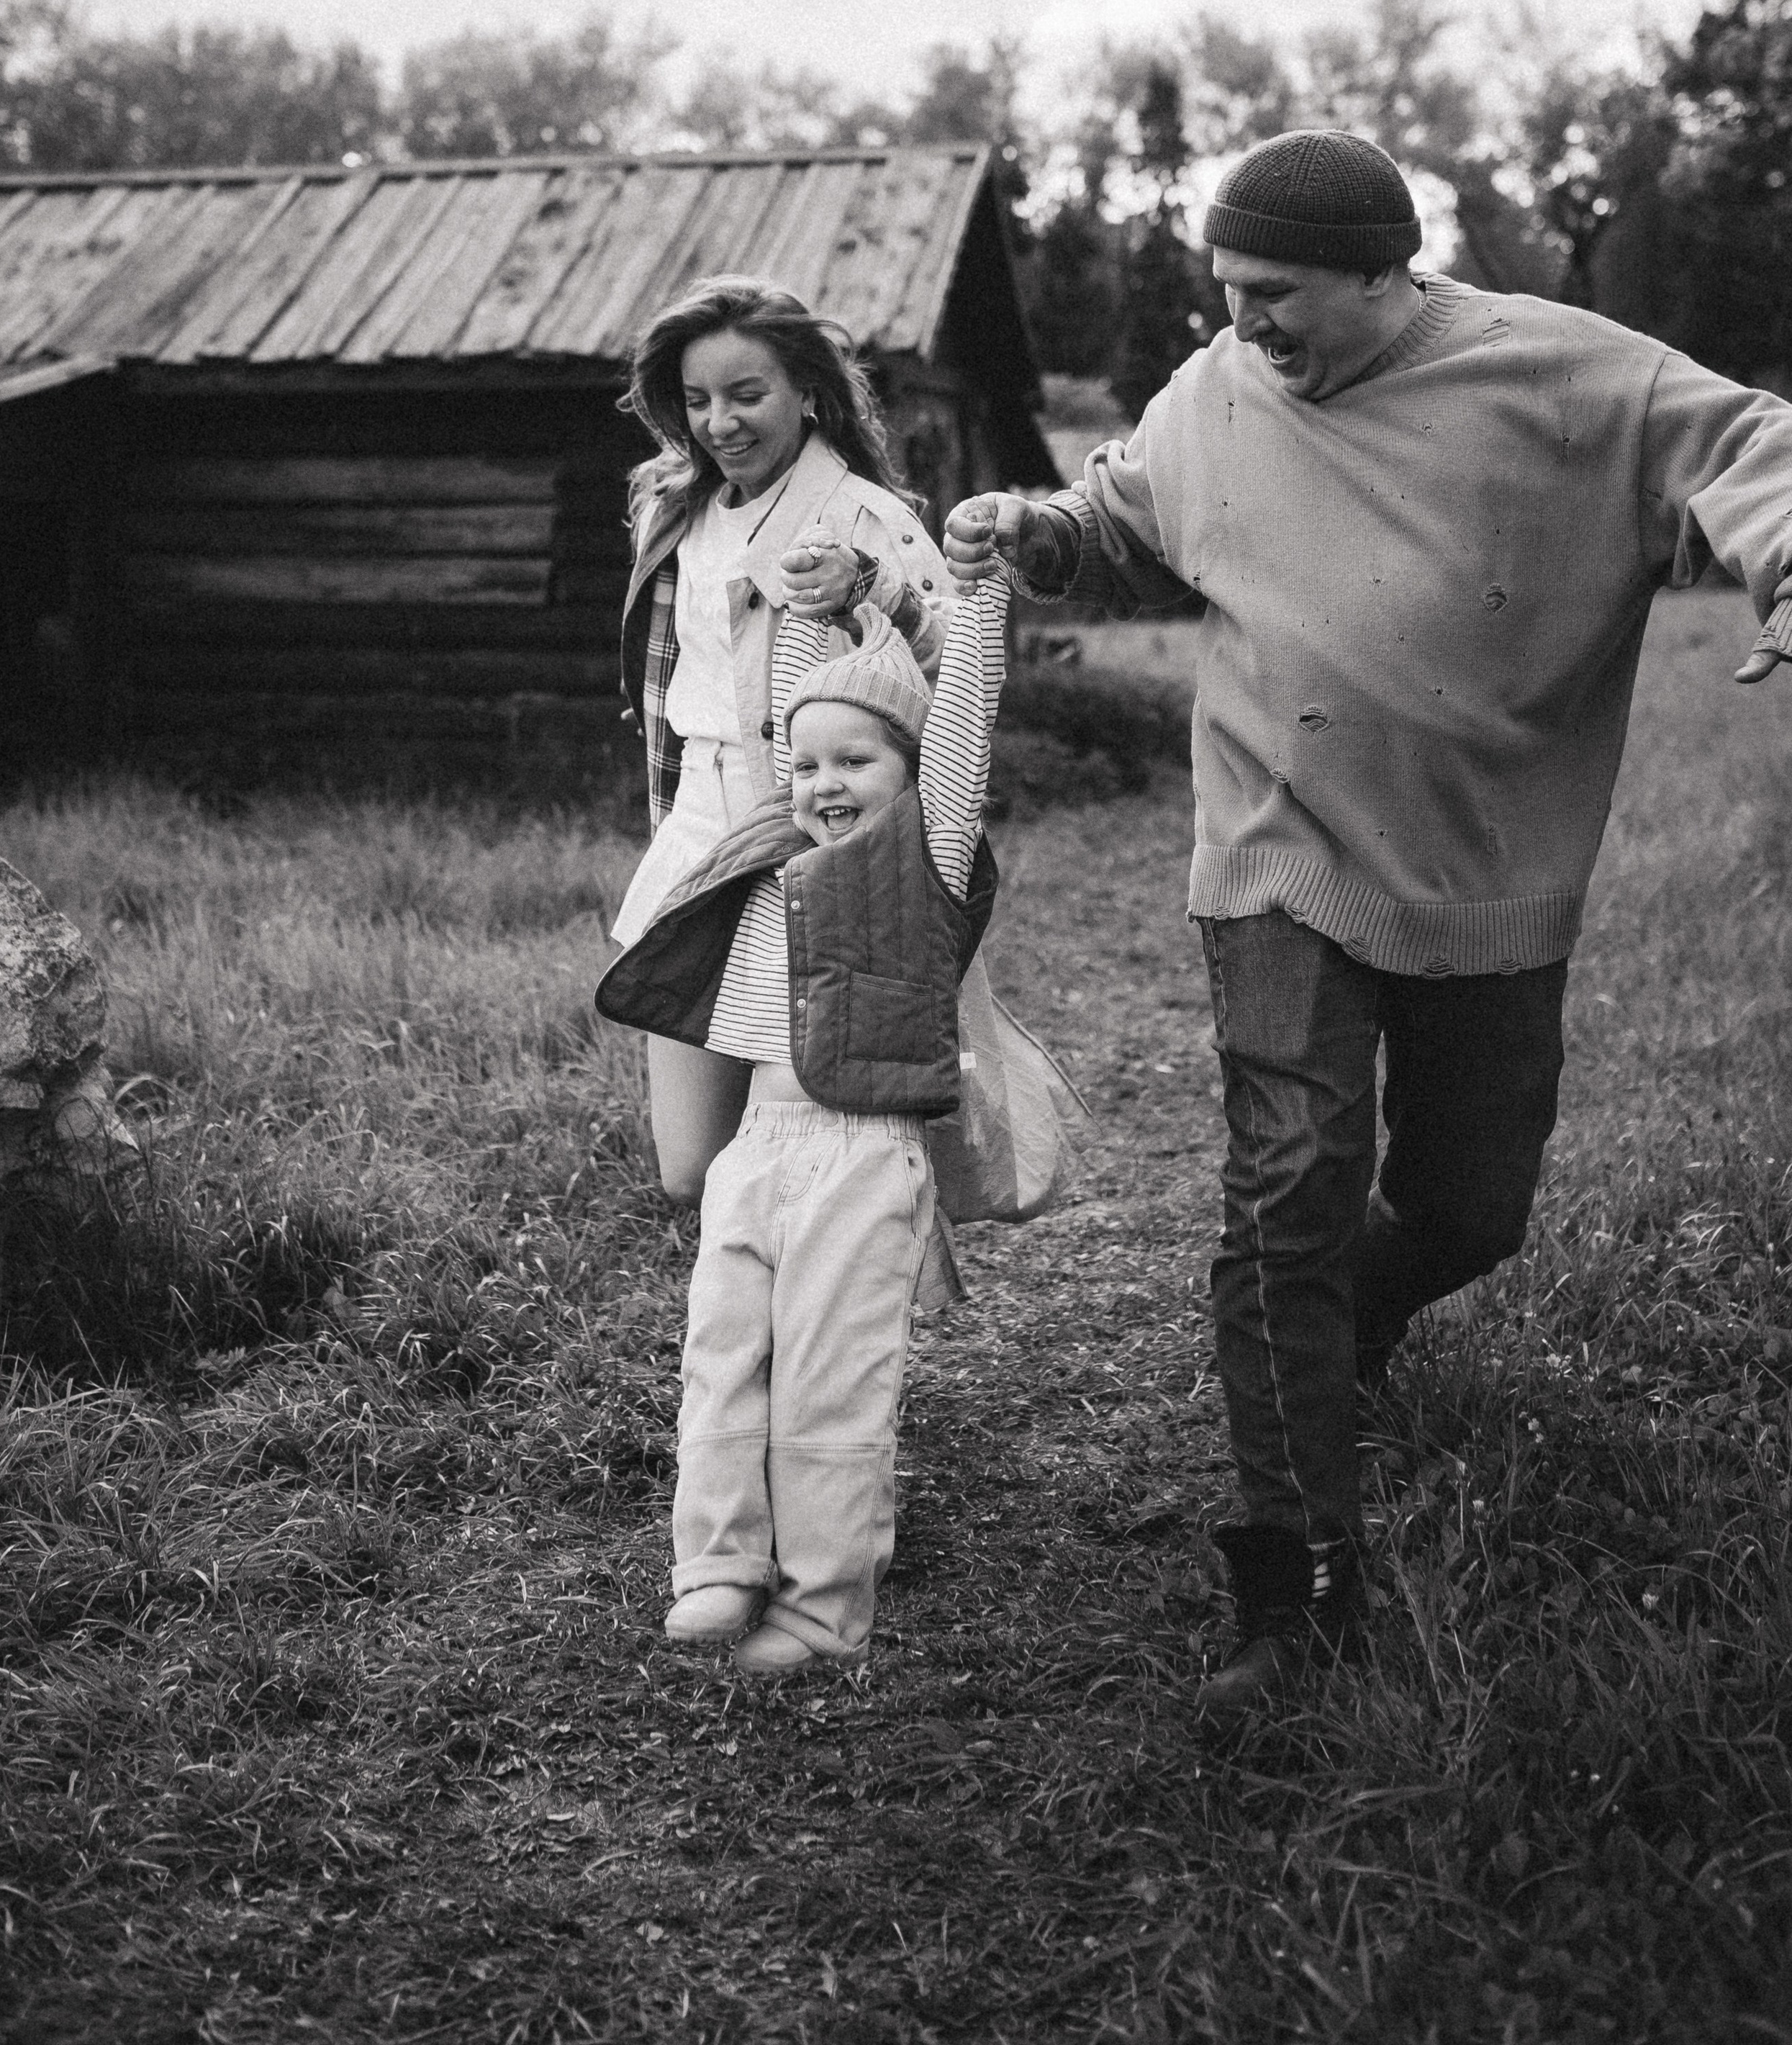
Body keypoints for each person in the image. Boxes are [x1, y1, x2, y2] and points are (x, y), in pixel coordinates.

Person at [943, 127, 1792, 1723]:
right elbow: (1120, 512)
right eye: (1226, 291)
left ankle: (1360, 1319)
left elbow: (1754, 442)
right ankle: (1296, 1590)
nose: (1242, 323)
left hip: (1488, 866)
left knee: (1470, 1209)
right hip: (1275, 844)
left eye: (1273, 294)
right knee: (1286, 1188)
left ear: (1380, 270)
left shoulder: (1556, 371)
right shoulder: (1217, 389)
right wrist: (1031, 530)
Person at [597, 571, 1010, 1674]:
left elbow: (964, 709)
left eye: (858, 762)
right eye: (810, 763)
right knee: (723, 1355)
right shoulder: (777, 855)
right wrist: (807, 600)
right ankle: (721, 1563)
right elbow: (789, 698)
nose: (826, 782)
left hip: (860, 1157)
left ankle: (827, 1606)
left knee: (832, 1377)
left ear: (916, 775)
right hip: (758, 1150)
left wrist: (982, 591)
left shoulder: (931, 857)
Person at [614, 274, 954, 1205]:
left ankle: (793, 1331)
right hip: (694, 832)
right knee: (690, 1167)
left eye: (745, 394)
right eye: (696, 401)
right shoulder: (672, 508)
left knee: (798, 1151)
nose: (719, 422)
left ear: (808, 391)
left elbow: (956, 665)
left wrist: (873, 589)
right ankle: (752, 1315)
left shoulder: (862, 518)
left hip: (810, 843)